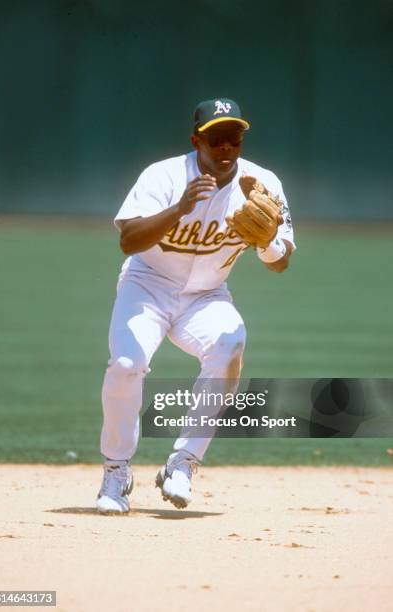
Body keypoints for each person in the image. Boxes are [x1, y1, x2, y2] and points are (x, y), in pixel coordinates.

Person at [97, 98, 295, 513]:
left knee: (230, 346)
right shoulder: (165, 175)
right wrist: (179, 209)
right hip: (147, 285)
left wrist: (265, 239)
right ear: (196, 141)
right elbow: (128, 240)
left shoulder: (264, 184)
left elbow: (280, 263)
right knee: (127, 366)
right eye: (216, 139)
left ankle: (183, 463)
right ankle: (116, 469)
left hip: (206, 295)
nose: (226, 148)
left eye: (234, 139)